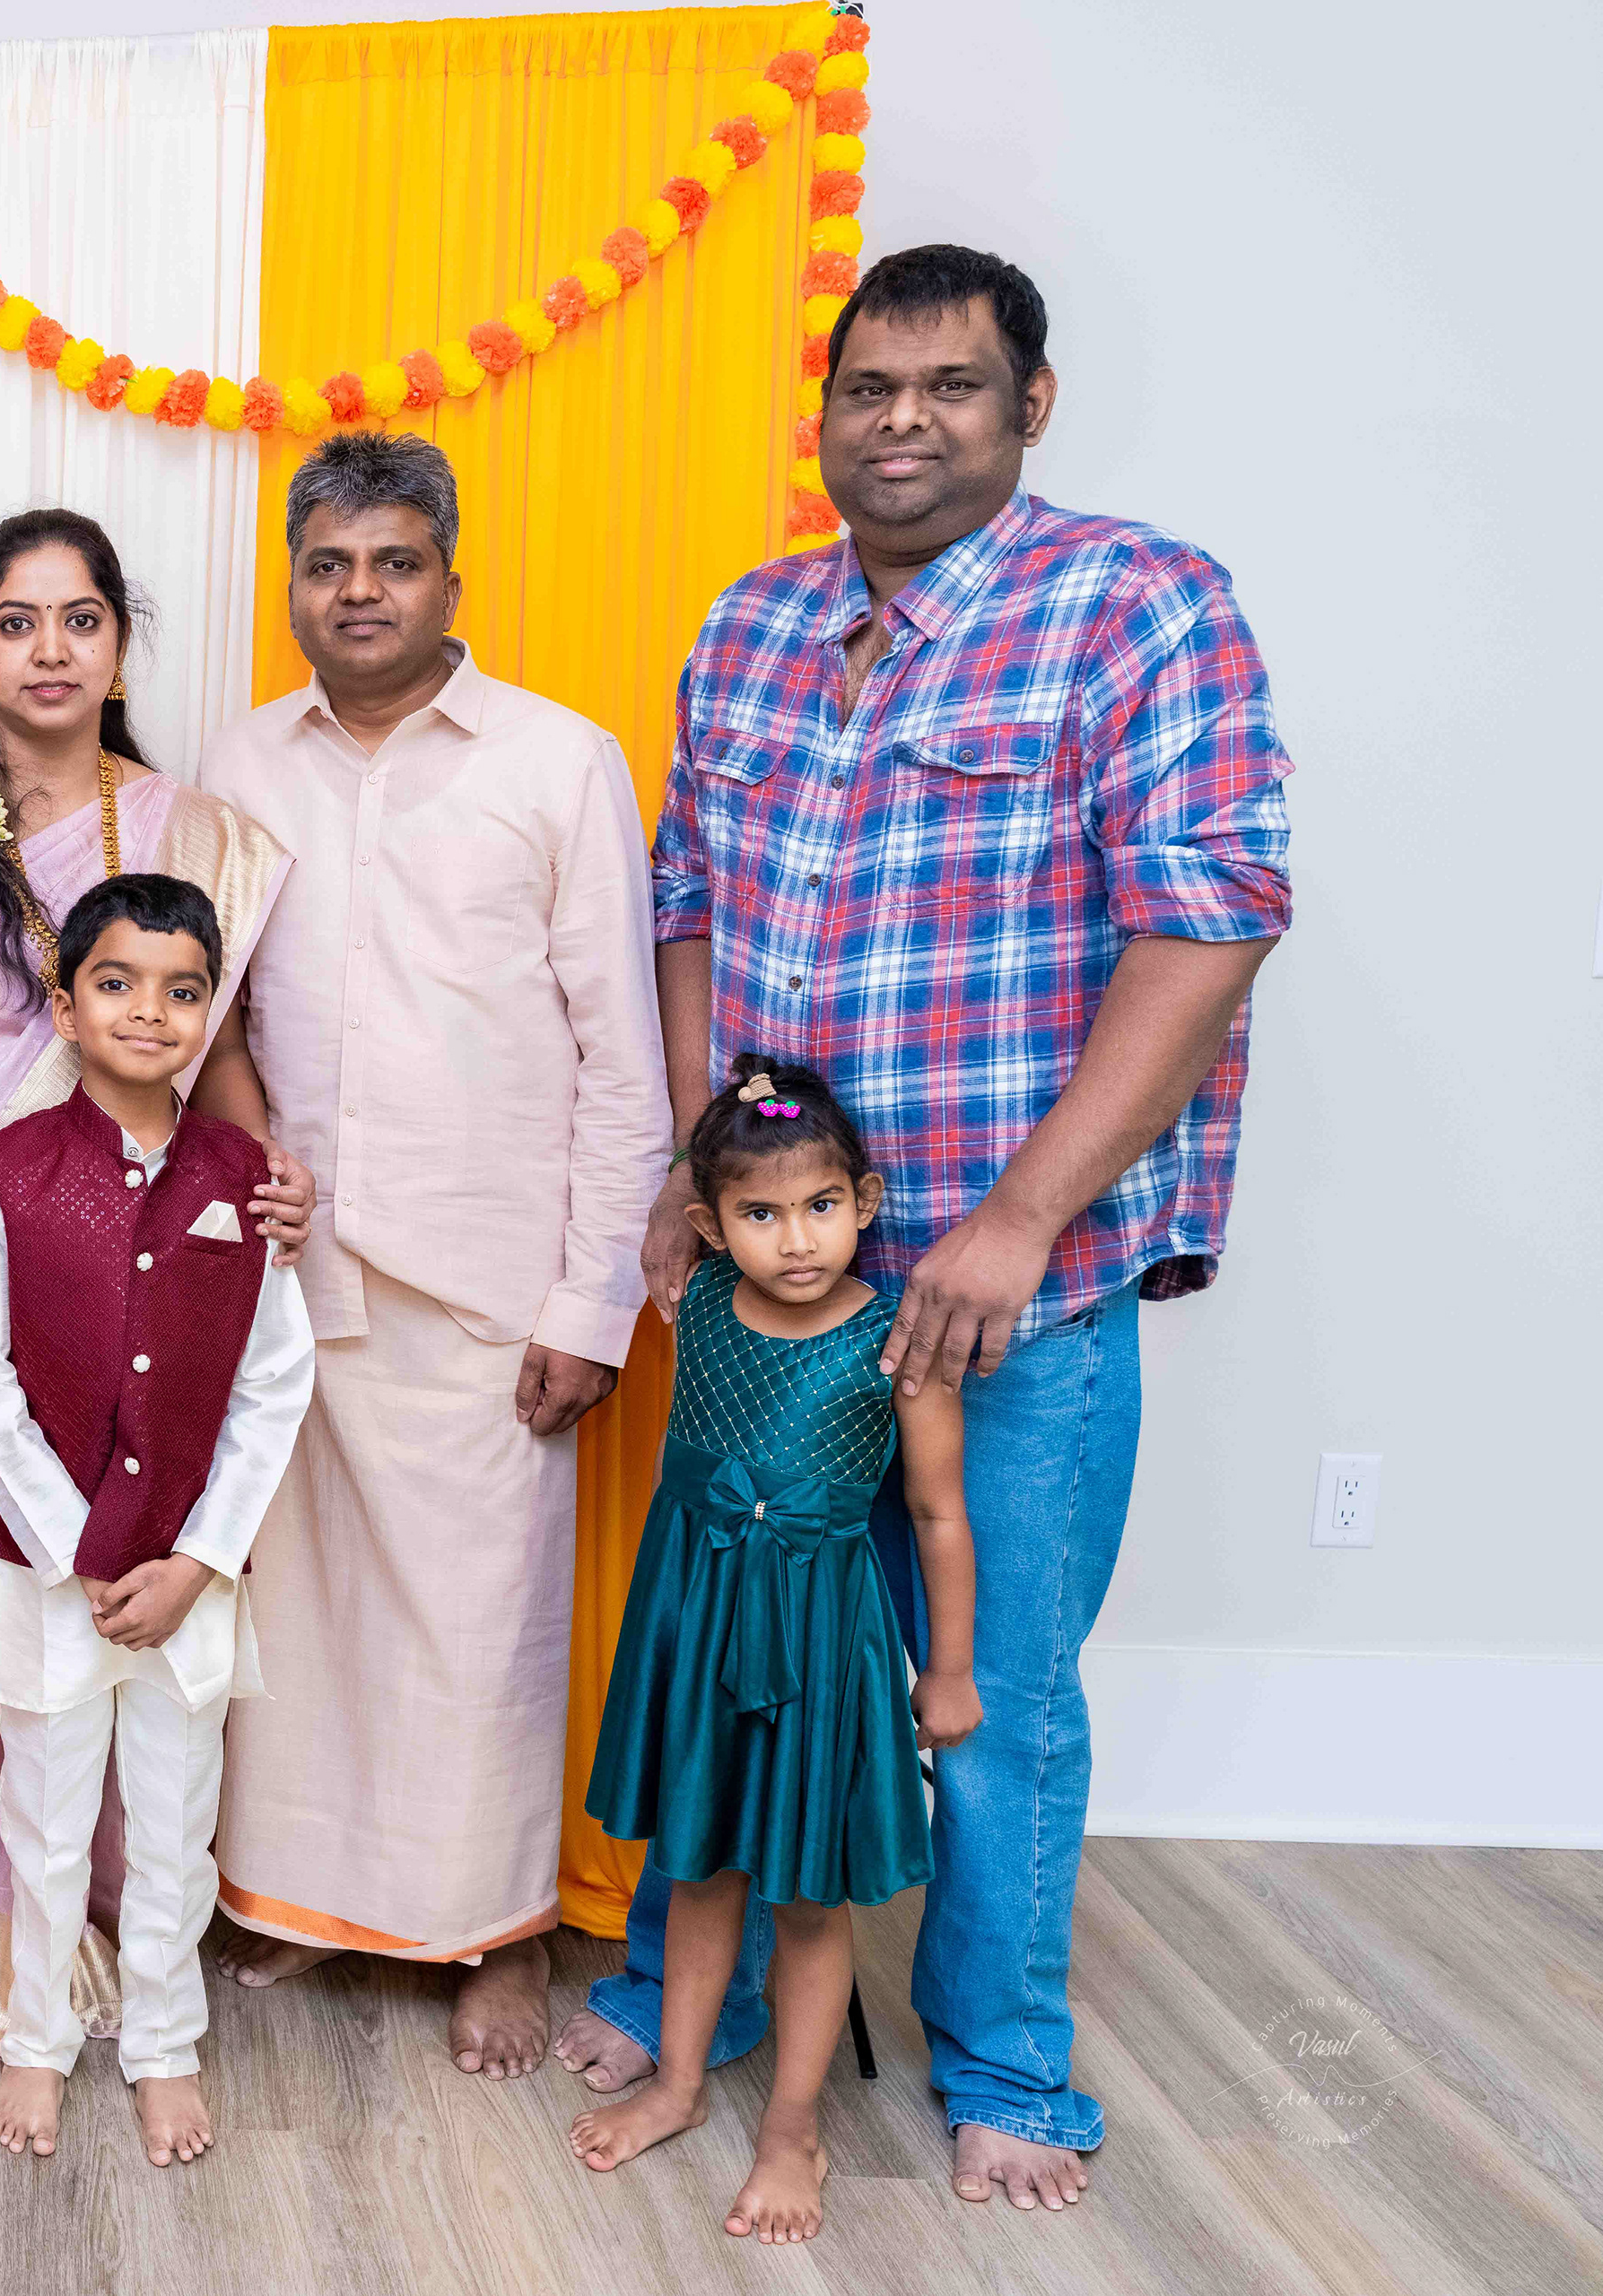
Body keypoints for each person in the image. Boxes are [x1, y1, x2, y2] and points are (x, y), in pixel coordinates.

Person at [553, 244, 1295, 2216]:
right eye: (867, 387)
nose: (902, 421)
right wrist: (693, 1173)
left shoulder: (1139, 605)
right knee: (736, 1643)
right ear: (823, 412)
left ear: (1030, 404)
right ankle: (686, 1998)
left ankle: (1007, 2066)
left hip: (1006, 1290)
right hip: (770, 1283)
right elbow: (687, 903)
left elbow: (1211, 918)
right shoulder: (756, 623)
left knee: (992, 1700)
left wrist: (1018, 1222)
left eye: (952, 386)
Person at [0, 507, 309, 2060]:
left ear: (120, 645)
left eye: (81, 619)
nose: (50, 650)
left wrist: (264, 1184)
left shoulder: (185, 828)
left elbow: (217, 1056)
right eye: (16, 622)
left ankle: (98, 1938)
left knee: (105, 1581)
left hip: (131, 1264)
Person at [198, 431, 669, 2080]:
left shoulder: (556, 761)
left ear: (451, 581)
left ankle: (496, 1934)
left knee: (481, 1628)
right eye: (328, 567)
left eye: (394, 563)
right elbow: (210, 1009)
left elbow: (624, 1058)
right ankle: (303, 1901)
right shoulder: (242, 763)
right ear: (293, 587)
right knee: (304, 1615)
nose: (361, 593)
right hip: (293, 1264)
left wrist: (591, 1304)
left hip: (488, 1278)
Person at [568, 1058, 979, 2245]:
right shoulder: (697, 1301)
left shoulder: (895, 1341)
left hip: (818, 1645)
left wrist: (948, 1670)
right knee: (698, 1867)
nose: (796, 1239)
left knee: (804, 1894)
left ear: (866, 1200)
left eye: (820, 1206)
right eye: (760, 1213)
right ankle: (679, 2084)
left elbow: (940, 1513)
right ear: (709, 1226)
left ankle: (793, 2128)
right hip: (701, 1625)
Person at [0, 875, 314, 2170]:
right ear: (66, 1005)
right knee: (48, 1826)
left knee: (173, 1825)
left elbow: (274, 1380)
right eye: (117, 982)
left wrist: (198, 1560)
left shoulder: (244, 1178)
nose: (149, 1011)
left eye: (181, 989)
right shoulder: (6, 1173)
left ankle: (164, 2043)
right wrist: (86, 1551)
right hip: (54, 1576)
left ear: (208, 1013)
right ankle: (35, 2039)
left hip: (191, 1582)